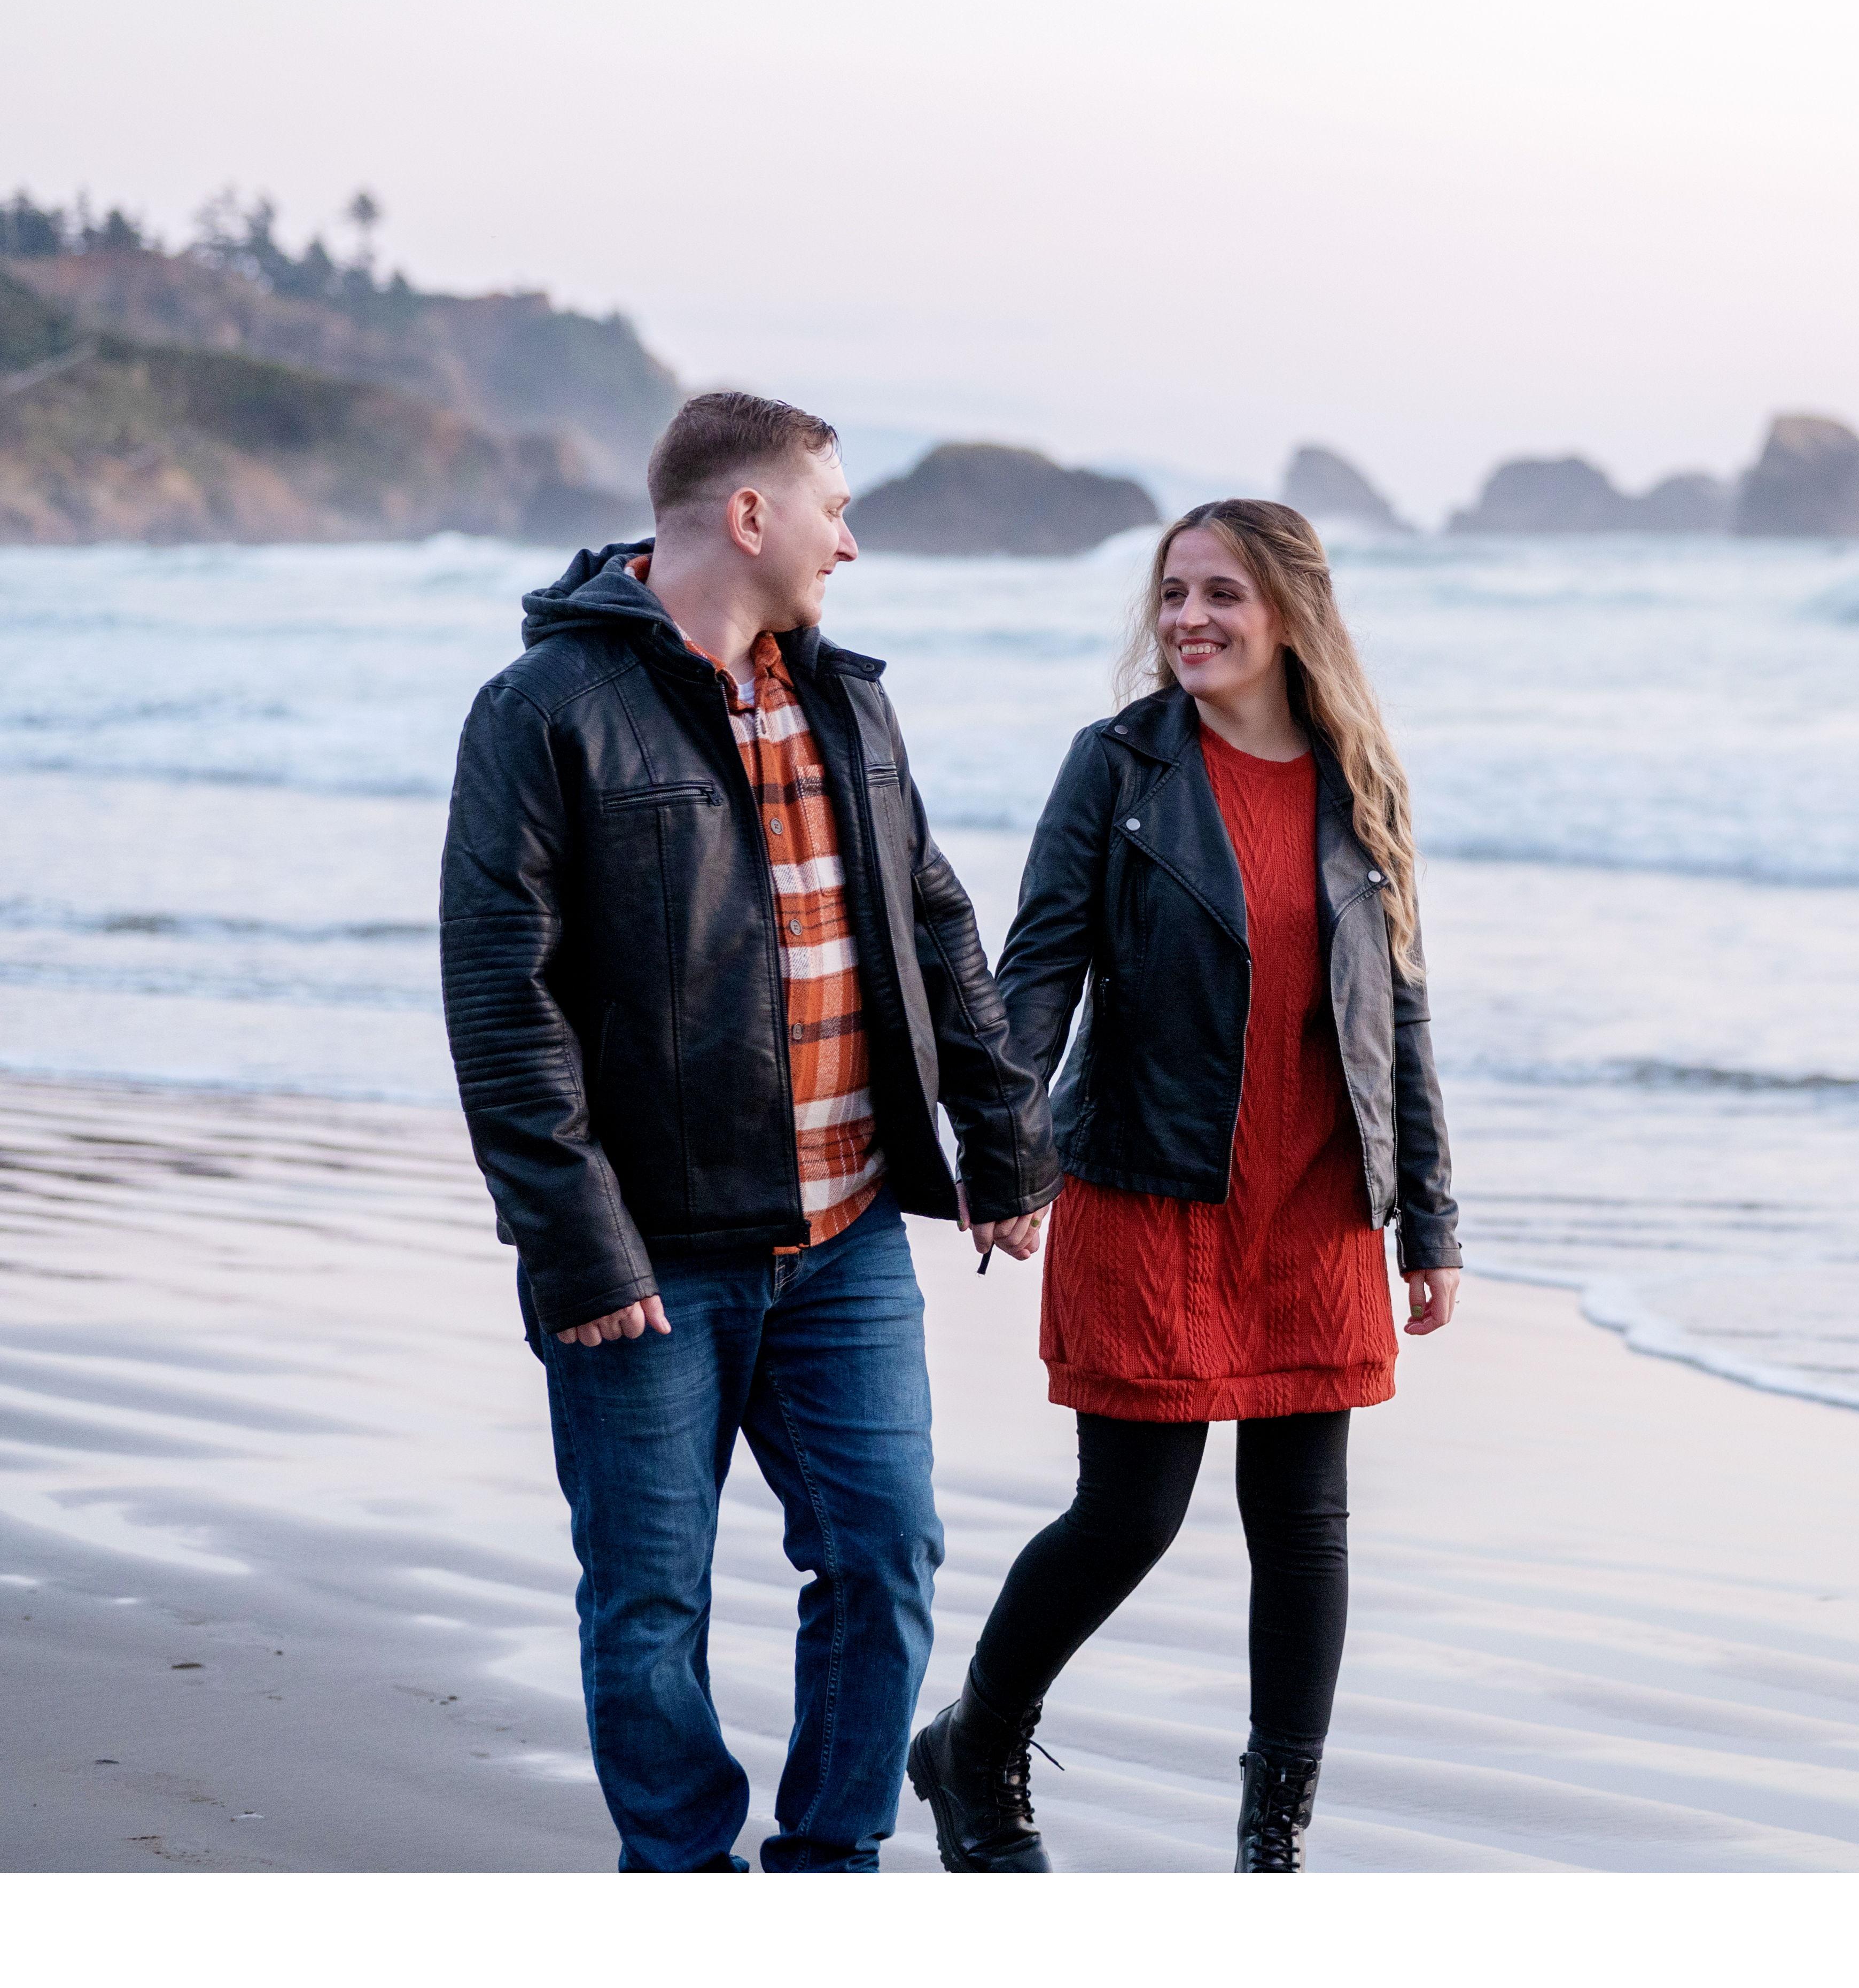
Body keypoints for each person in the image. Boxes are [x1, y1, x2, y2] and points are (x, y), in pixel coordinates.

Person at [439, 390, 1057, 1871]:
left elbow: (934, 919)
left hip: (848, 1236)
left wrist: (1005, 1139)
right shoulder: (543, 710)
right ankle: (682, 1877)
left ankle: (831, 1867)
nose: (850, 543)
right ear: (749, 514)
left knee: (887, 1555)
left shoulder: (849, 699)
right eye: (833, 510)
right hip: (649, 1253)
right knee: (651, 1598)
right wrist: (578, 1244)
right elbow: (501, 1000)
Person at [908, 498, 1461, 1874]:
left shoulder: (1360, 781)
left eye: (1221, 593)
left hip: (1318, 1204)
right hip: (1152, 1187)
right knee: (1130, 1516)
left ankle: (1273, 1848)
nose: (1189, 620)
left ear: (1293, 614)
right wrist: (1008, 1150)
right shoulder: (1120, 767)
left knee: (1307, 1525)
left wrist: (1431, 1219)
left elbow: (1400, 1014)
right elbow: (1040, 967)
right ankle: (976, 1741)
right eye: (1172, 594)